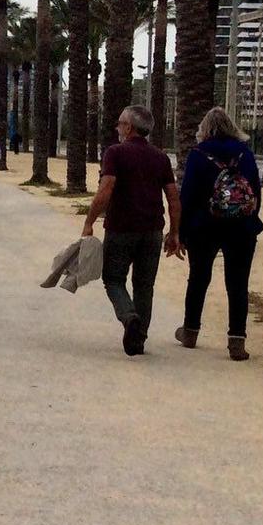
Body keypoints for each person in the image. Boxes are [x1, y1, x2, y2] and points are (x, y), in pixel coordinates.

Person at [82, 103, 183, 356]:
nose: (117, 128)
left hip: (121, 228)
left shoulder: (115, 153)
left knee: (113, 278)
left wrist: (89, 221)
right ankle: (139, 339)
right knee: (144, 285)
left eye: (119, 123)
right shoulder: (160, 157)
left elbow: (106, 190)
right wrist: (174, 233)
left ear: (128, 127)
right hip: (152, 231)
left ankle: (129, 318)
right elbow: (173, 199)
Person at [176, 106, 263, 361]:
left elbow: (188, 195)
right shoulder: (245, 153)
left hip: (204, 226)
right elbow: (255, 192)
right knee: (238, 284)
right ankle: (237, 340)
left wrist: (181, 232)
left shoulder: (198, 154)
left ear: (205, 129)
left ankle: (190, 332)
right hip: (242, 227)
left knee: (199, 278)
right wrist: (250, 219)